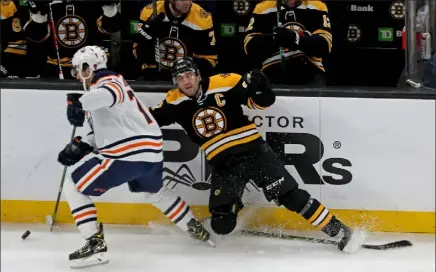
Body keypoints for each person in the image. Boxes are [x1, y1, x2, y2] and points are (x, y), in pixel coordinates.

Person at [149, 57, 365, 253]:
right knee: (221, 225)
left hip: (254, 152)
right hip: (224, 165)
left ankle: (339, 231)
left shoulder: (224, 82)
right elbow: (147, 120)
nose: (186, 81)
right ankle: (235, 201)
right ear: (175, 82)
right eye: (180, 78)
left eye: (189, 75)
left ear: (197, 75)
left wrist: (262, 88)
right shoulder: (172, 102)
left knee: (291, 196)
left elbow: (262, 102)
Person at [57, 46, 212, 269]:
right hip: (149, 155)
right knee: (154, 193)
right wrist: (83, 145)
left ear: (89, 67)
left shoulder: (107, 80)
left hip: (126, 154)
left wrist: (79, 102)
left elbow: (110, 94)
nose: (77, 75)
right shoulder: (102, 90)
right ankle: (195, 228)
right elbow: (110, 127)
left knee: (74, 185)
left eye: (78, 70)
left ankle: (95, 245)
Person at [23, 1, 121, 78]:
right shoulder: (48, 3)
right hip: (54, 67)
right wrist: (39, 17)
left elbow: (112, 28)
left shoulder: (93, 4)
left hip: (92, 66)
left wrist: (109, 10)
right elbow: (35, 37)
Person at [244, 0, 333, 86]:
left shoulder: (317, 5)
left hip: (311, 72)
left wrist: (296, 39)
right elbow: (250, 48)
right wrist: (274, 39)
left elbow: (325, 45)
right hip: (271, 73)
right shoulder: (262, 8)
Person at [133, 0, 217, 81]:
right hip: (153, 76)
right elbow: (137, 53)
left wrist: (186, 70)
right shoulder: (150, 12)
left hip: (186, 79)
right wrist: (148, 33)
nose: (188, 2)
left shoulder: (202, 19)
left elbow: (210, 60)